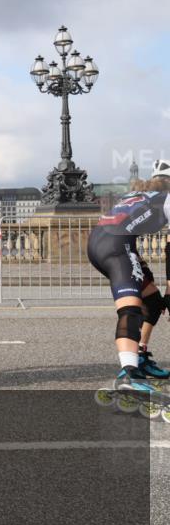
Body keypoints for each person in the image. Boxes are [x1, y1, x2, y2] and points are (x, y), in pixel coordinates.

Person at [87, 158, 170, 397]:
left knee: (152, 301)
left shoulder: (139, 194)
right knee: (130, 310)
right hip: (117, 247)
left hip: (100, 242)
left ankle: (140, 356)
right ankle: (129, 374)